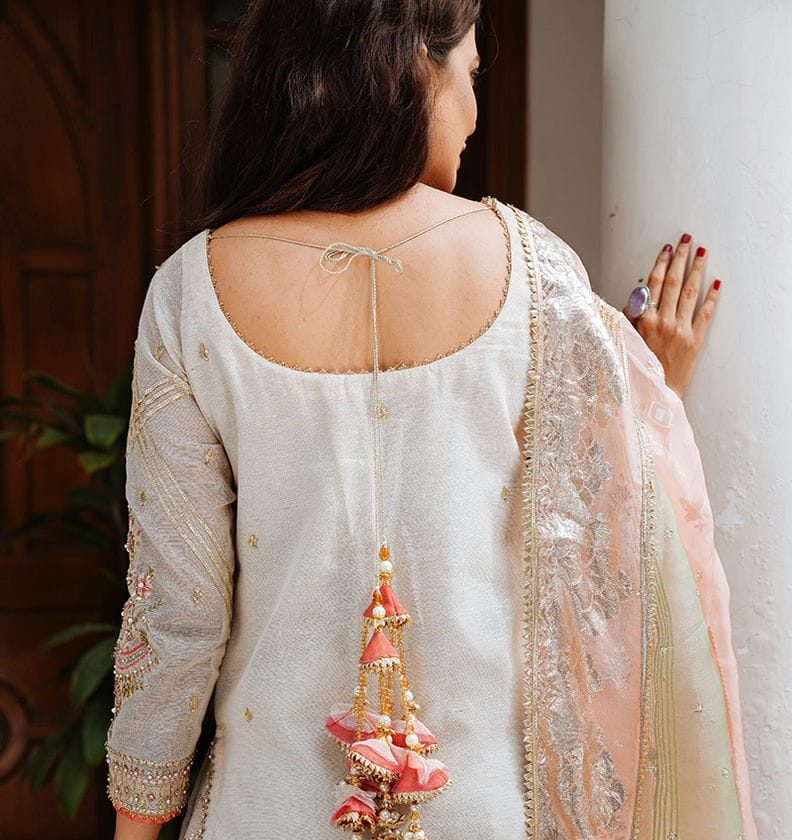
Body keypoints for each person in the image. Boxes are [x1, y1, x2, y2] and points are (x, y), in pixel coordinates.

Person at [106, 2, 757, 838]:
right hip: (487, 810)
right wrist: (651, 397)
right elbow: (595, 558)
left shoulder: (189, 292)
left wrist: (134, 831)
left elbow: (176, 619)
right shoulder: (536, 273)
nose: (475, 113)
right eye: (471, 73)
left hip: (261, 811)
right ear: (417, 62)